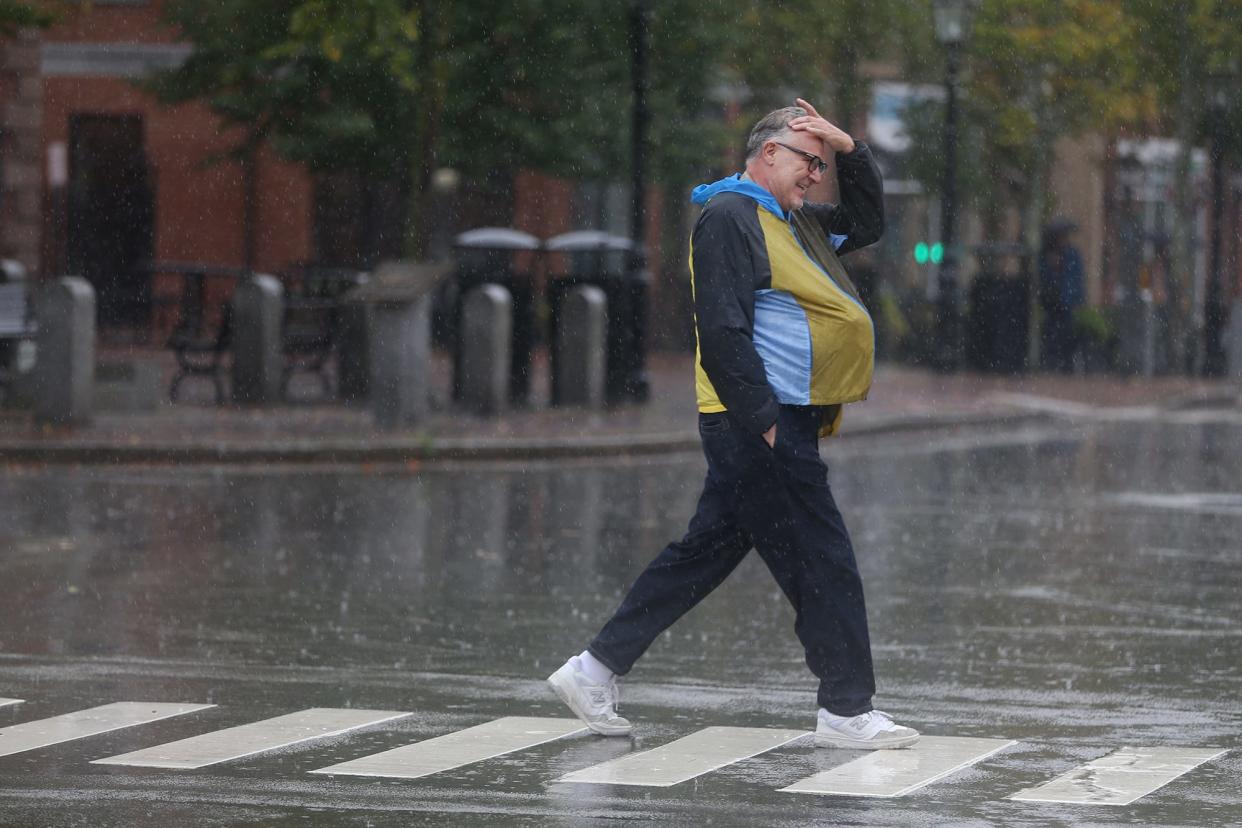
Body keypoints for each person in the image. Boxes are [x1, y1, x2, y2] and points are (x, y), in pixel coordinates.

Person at [546, 100, 919, 750]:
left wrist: (846, 146)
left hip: (771, 421)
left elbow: (866, 222)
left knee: (708, 551)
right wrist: (767, 424)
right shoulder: (728, 217)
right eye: (808, 160)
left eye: (820, 164)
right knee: (823, 560)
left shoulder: (795, 223)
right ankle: (846, 710)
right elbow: (721, 329)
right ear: (767, 152)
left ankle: (594, 668)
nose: (814, 175)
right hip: (758, 421)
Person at [1038, 220, 1085, 373]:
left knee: (1067, 333)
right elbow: (1043, 277)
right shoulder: (1046, 255)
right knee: (1051, 333)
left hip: (1067, 302)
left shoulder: (1072, 254)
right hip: (1052, 302)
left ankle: (1066, 364)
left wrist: (1077, 299)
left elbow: (1076, 278)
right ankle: (1052, 363)